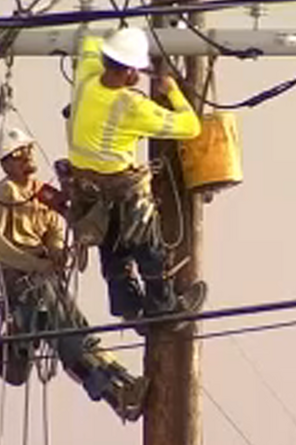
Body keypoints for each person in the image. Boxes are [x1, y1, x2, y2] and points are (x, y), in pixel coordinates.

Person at [0, 126, 148, 422]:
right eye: (20, 155)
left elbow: (53, 230)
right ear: (6, 162)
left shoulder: (42, 194)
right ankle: (115, 394)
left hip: (46, 279)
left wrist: (57, 251)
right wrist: (36, 264)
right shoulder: (2, 194)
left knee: (80, 335)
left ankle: (121, 385)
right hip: (24, 286)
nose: (27, 158)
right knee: (70, 340)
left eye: (28, 152)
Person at [63, 26, 206, 325]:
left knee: (113, 251)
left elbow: (89, 41)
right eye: (137, 70)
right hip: (124, 193)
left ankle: (129, 309)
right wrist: (173, 91)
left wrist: (116, 30)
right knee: (148, 251)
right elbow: (191, 127)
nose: (139, 76)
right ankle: (163, 310)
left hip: (88, 193)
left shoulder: (86, 80)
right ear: (128, 71)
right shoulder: (132, 106)